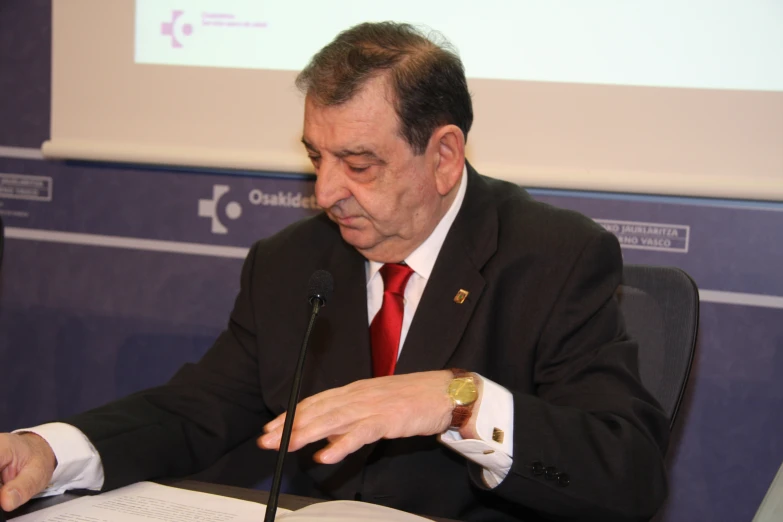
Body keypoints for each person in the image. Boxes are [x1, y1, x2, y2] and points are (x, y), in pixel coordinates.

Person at [0, 22, 668, 521]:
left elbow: (626, 474)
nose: (324, 193)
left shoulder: (552, 257)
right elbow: (198, 408)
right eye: (314, 157)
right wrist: (53, 451)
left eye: (357, 164)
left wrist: (460, 399)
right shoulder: (293, 263)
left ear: (443, 156)